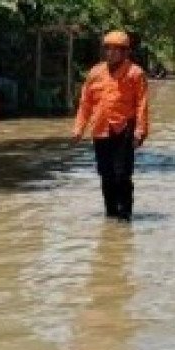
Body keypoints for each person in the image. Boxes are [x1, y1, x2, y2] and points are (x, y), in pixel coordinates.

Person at [72, 30, 149, 221]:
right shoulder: (95, 72)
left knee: (122, 174)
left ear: (125, 52)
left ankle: (125, 216)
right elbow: (85, 103)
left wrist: (140, 131)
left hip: (124, 130)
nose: (111, 53)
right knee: (106, 175)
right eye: (108, 49)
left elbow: (142, 104)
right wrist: (79, 128)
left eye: (117, 50)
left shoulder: (135, 73)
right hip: (100, 129)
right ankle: (110, 213)